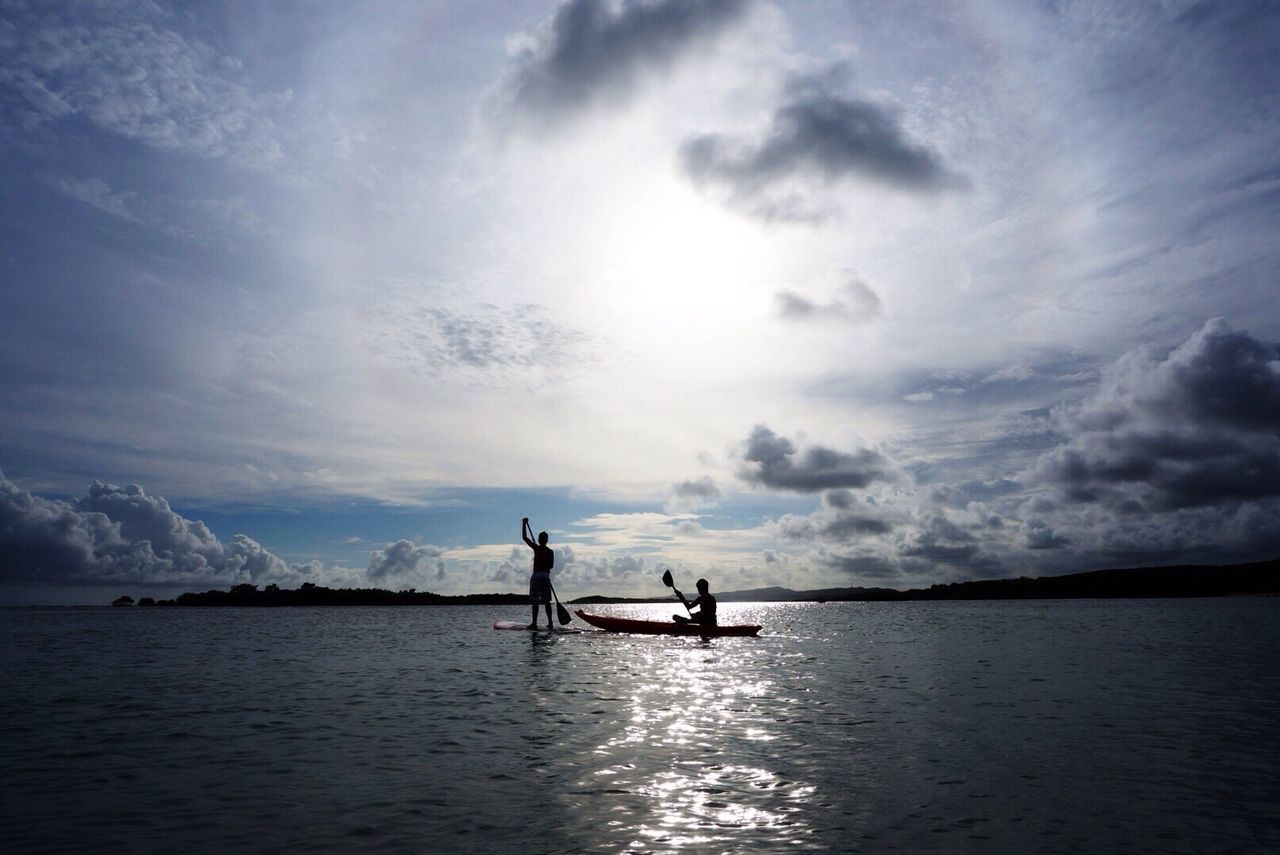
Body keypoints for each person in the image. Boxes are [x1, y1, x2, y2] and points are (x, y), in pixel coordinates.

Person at [521, 517, 554, 629]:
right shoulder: (550, 552)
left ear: (540, 540)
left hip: (536, 576)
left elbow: (525, 537)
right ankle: (550, 622)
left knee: (535, 601)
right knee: (546, 601)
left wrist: (524, 524)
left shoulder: (537, 548)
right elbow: (551, 566)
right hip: (545, 576)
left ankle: (534, 623)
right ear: (547, 540)